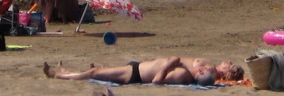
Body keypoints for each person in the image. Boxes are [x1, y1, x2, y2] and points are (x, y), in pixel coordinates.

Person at [44, 57, 243, 86]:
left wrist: (168, 65)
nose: (228, 61)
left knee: (95, 72)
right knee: (100, 70)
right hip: (139, 66)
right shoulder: (207, 65)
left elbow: (156, 82)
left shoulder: (184, 75)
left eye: (229, 66)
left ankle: (59, 75)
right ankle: (68, 71)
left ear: (225, 74)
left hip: (136, 74)